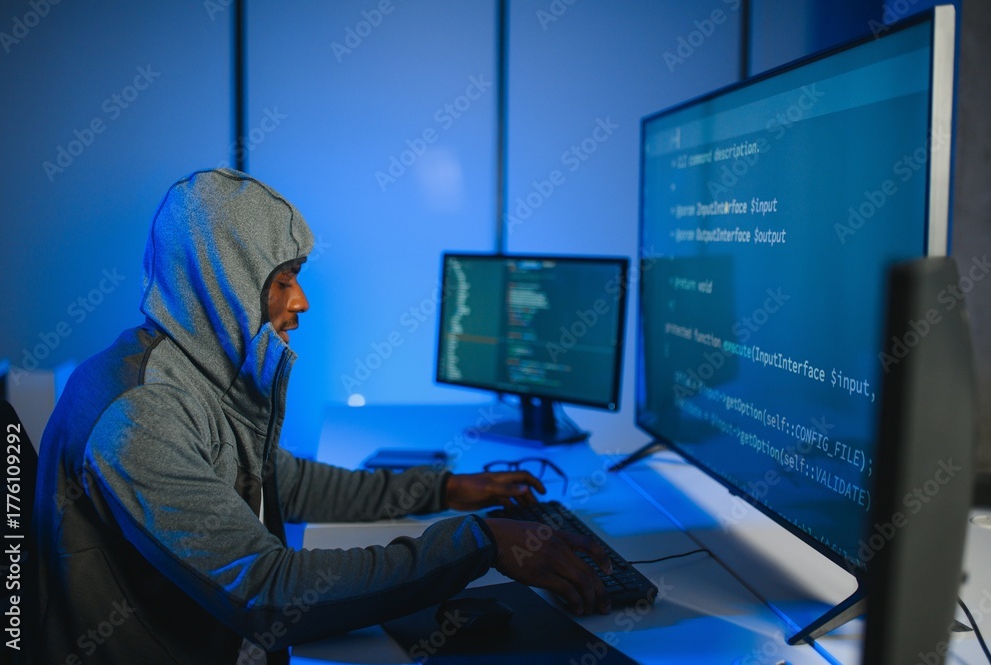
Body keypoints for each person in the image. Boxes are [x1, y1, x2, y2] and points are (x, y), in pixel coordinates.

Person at [33, 168, 610, 665]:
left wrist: (447, 490)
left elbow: (285, 482)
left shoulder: (195, 372)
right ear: (221, 284)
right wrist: (479, 545)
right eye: (283, 281)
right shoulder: (143, 415)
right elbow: (266, 592)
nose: (301, 300)